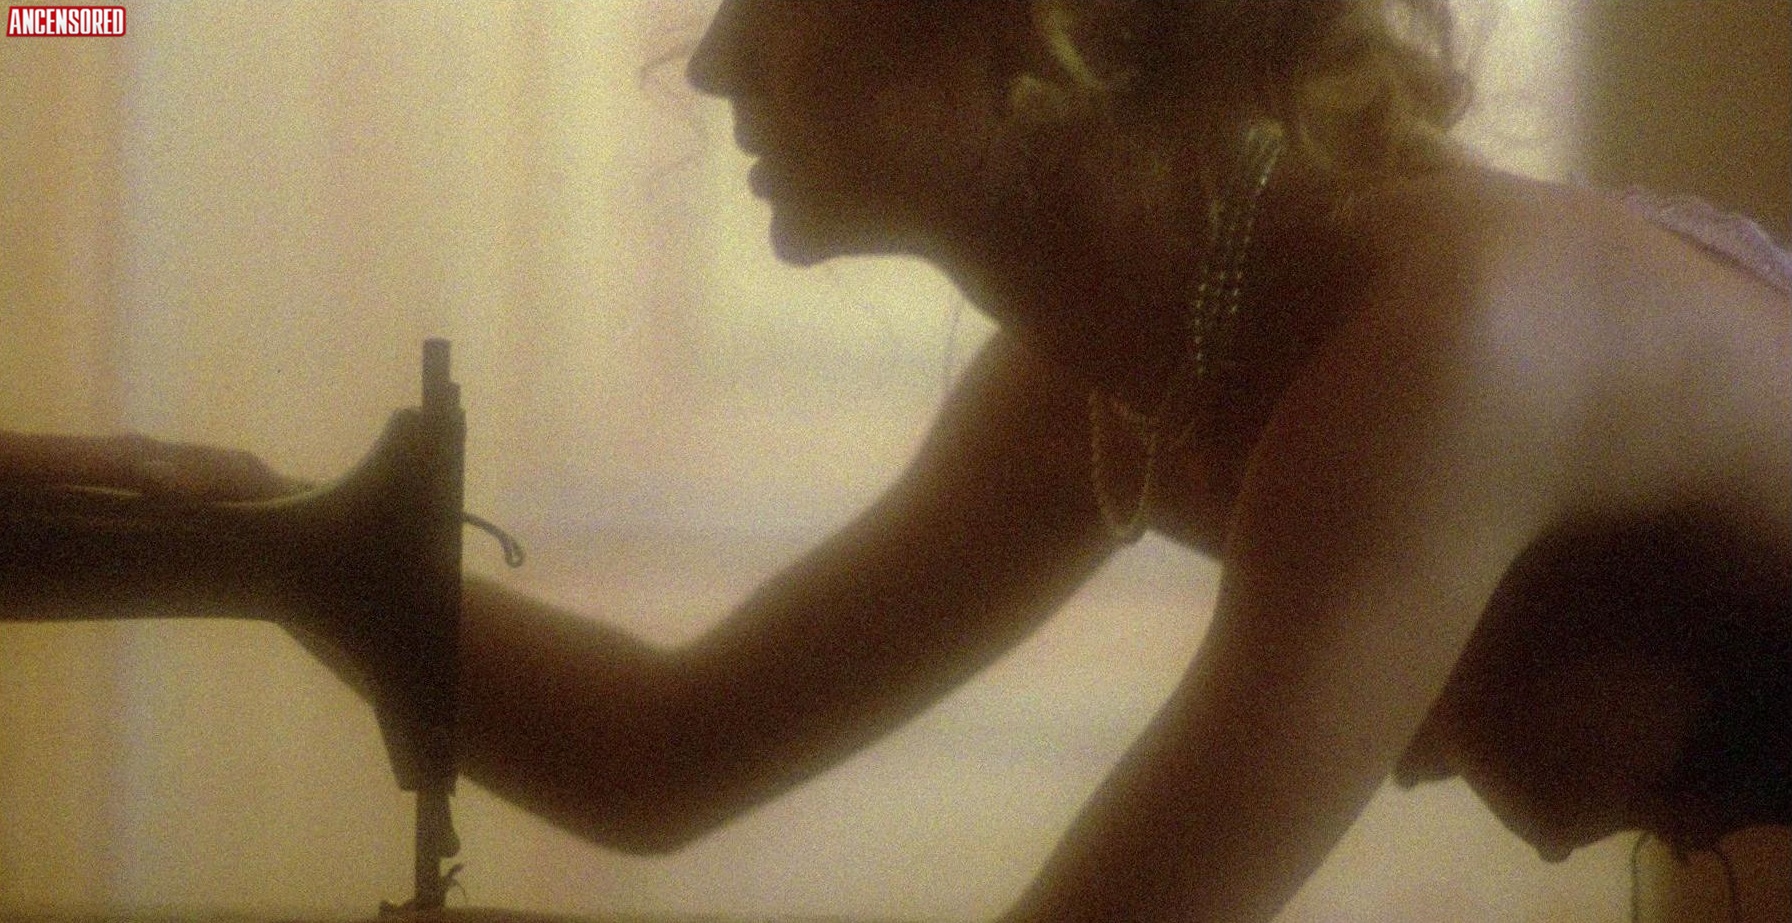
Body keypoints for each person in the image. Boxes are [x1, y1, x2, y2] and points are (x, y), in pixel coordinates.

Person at [3, 2, 1788, 920]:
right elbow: (664, 753)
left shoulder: (1448, 354)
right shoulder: (1112, 376)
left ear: (1029, 30)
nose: (711, 63)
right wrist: (255, 540)